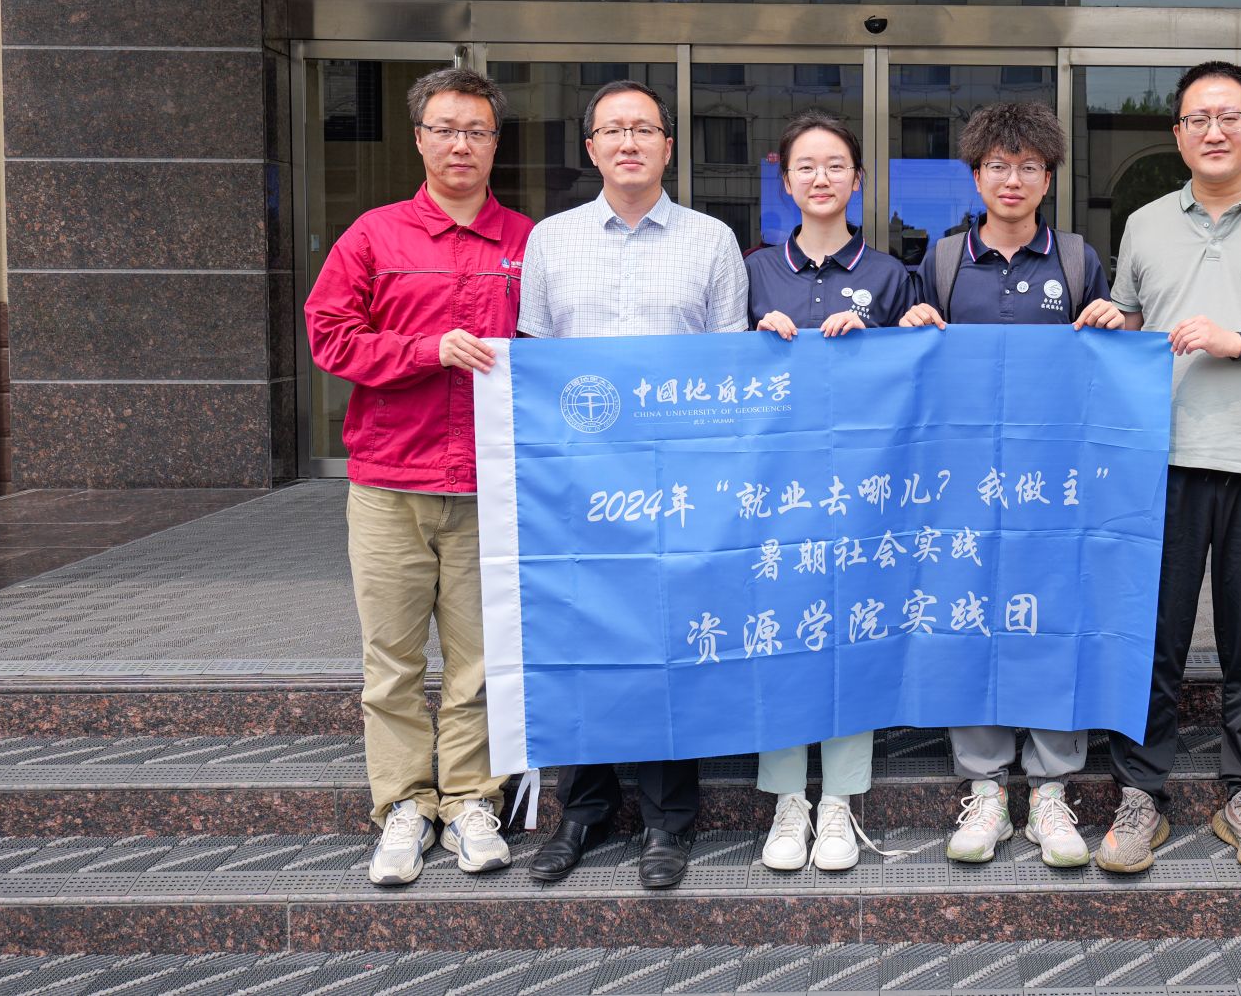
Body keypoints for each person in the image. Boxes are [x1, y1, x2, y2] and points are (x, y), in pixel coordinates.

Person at [1075, 61, 1241, 876]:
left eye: (1230, 116)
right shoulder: (1147, 223)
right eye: (1198, 118)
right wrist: (1114, 317)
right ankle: (1139, 794)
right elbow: (1134, 321)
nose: (1214, 131)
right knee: (1148, 638)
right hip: (1157, 464)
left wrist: (1238, 342)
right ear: (1178, 133)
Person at [517, 79, 749, 891]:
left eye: (643, 129)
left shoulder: (712, 240)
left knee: (667, 641)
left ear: (668, 146)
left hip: (674, 484)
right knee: (580, 637)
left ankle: (667, 819)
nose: (628, 142)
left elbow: (730, 366)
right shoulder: (550, 240)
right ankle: (582, 811)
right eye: (612, 130)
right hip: (578, 484)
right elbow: (534, 361)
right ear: (590, 147)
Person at [304, 66, 533, 887]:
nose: (460, 143)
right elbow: (329, 336)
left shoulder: (526, 243)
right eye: (445, 128)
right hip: (389, 483)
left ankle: (471, 799)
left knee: (479, 660)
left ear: (496, 143)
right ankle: (404, 803)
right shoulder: (373, 236)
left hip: (487, 485)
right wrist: (424, 349)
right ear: (418, 138)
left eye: (476, 130)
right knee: (392, 660)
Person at [898, 101, 1111, 870]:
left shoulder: (1077, 261)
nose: (1012, 179)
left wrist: (1113, 325)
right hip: (965, 483)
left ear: (1048, 177)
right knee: (970, 616)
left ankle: (1051, 788)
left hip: (1055, 485)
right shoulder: (943, 261)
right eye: (998, 165)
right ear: (976, 174)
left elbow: (1106, 368)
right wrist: (911, 329)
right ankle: (985, 786)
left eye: (1028, 166)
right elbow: (915, 373)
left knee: (1053, 616)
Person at [745, 111, 915, 872]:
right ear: (785, 182)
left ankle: (841, 799)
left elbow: (917, 374)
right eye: (806, 166)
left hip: (862, 490)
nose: (821, 178)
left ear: (858, 179)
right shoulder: (756, 272)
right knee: (781, 631)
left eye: (835, 165)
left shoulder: (889, 275)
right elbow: (721, 375)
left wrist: (891, 336)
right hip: (773, 491)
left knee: (851, 627)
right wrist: (755, 339)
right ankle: (788, 799)